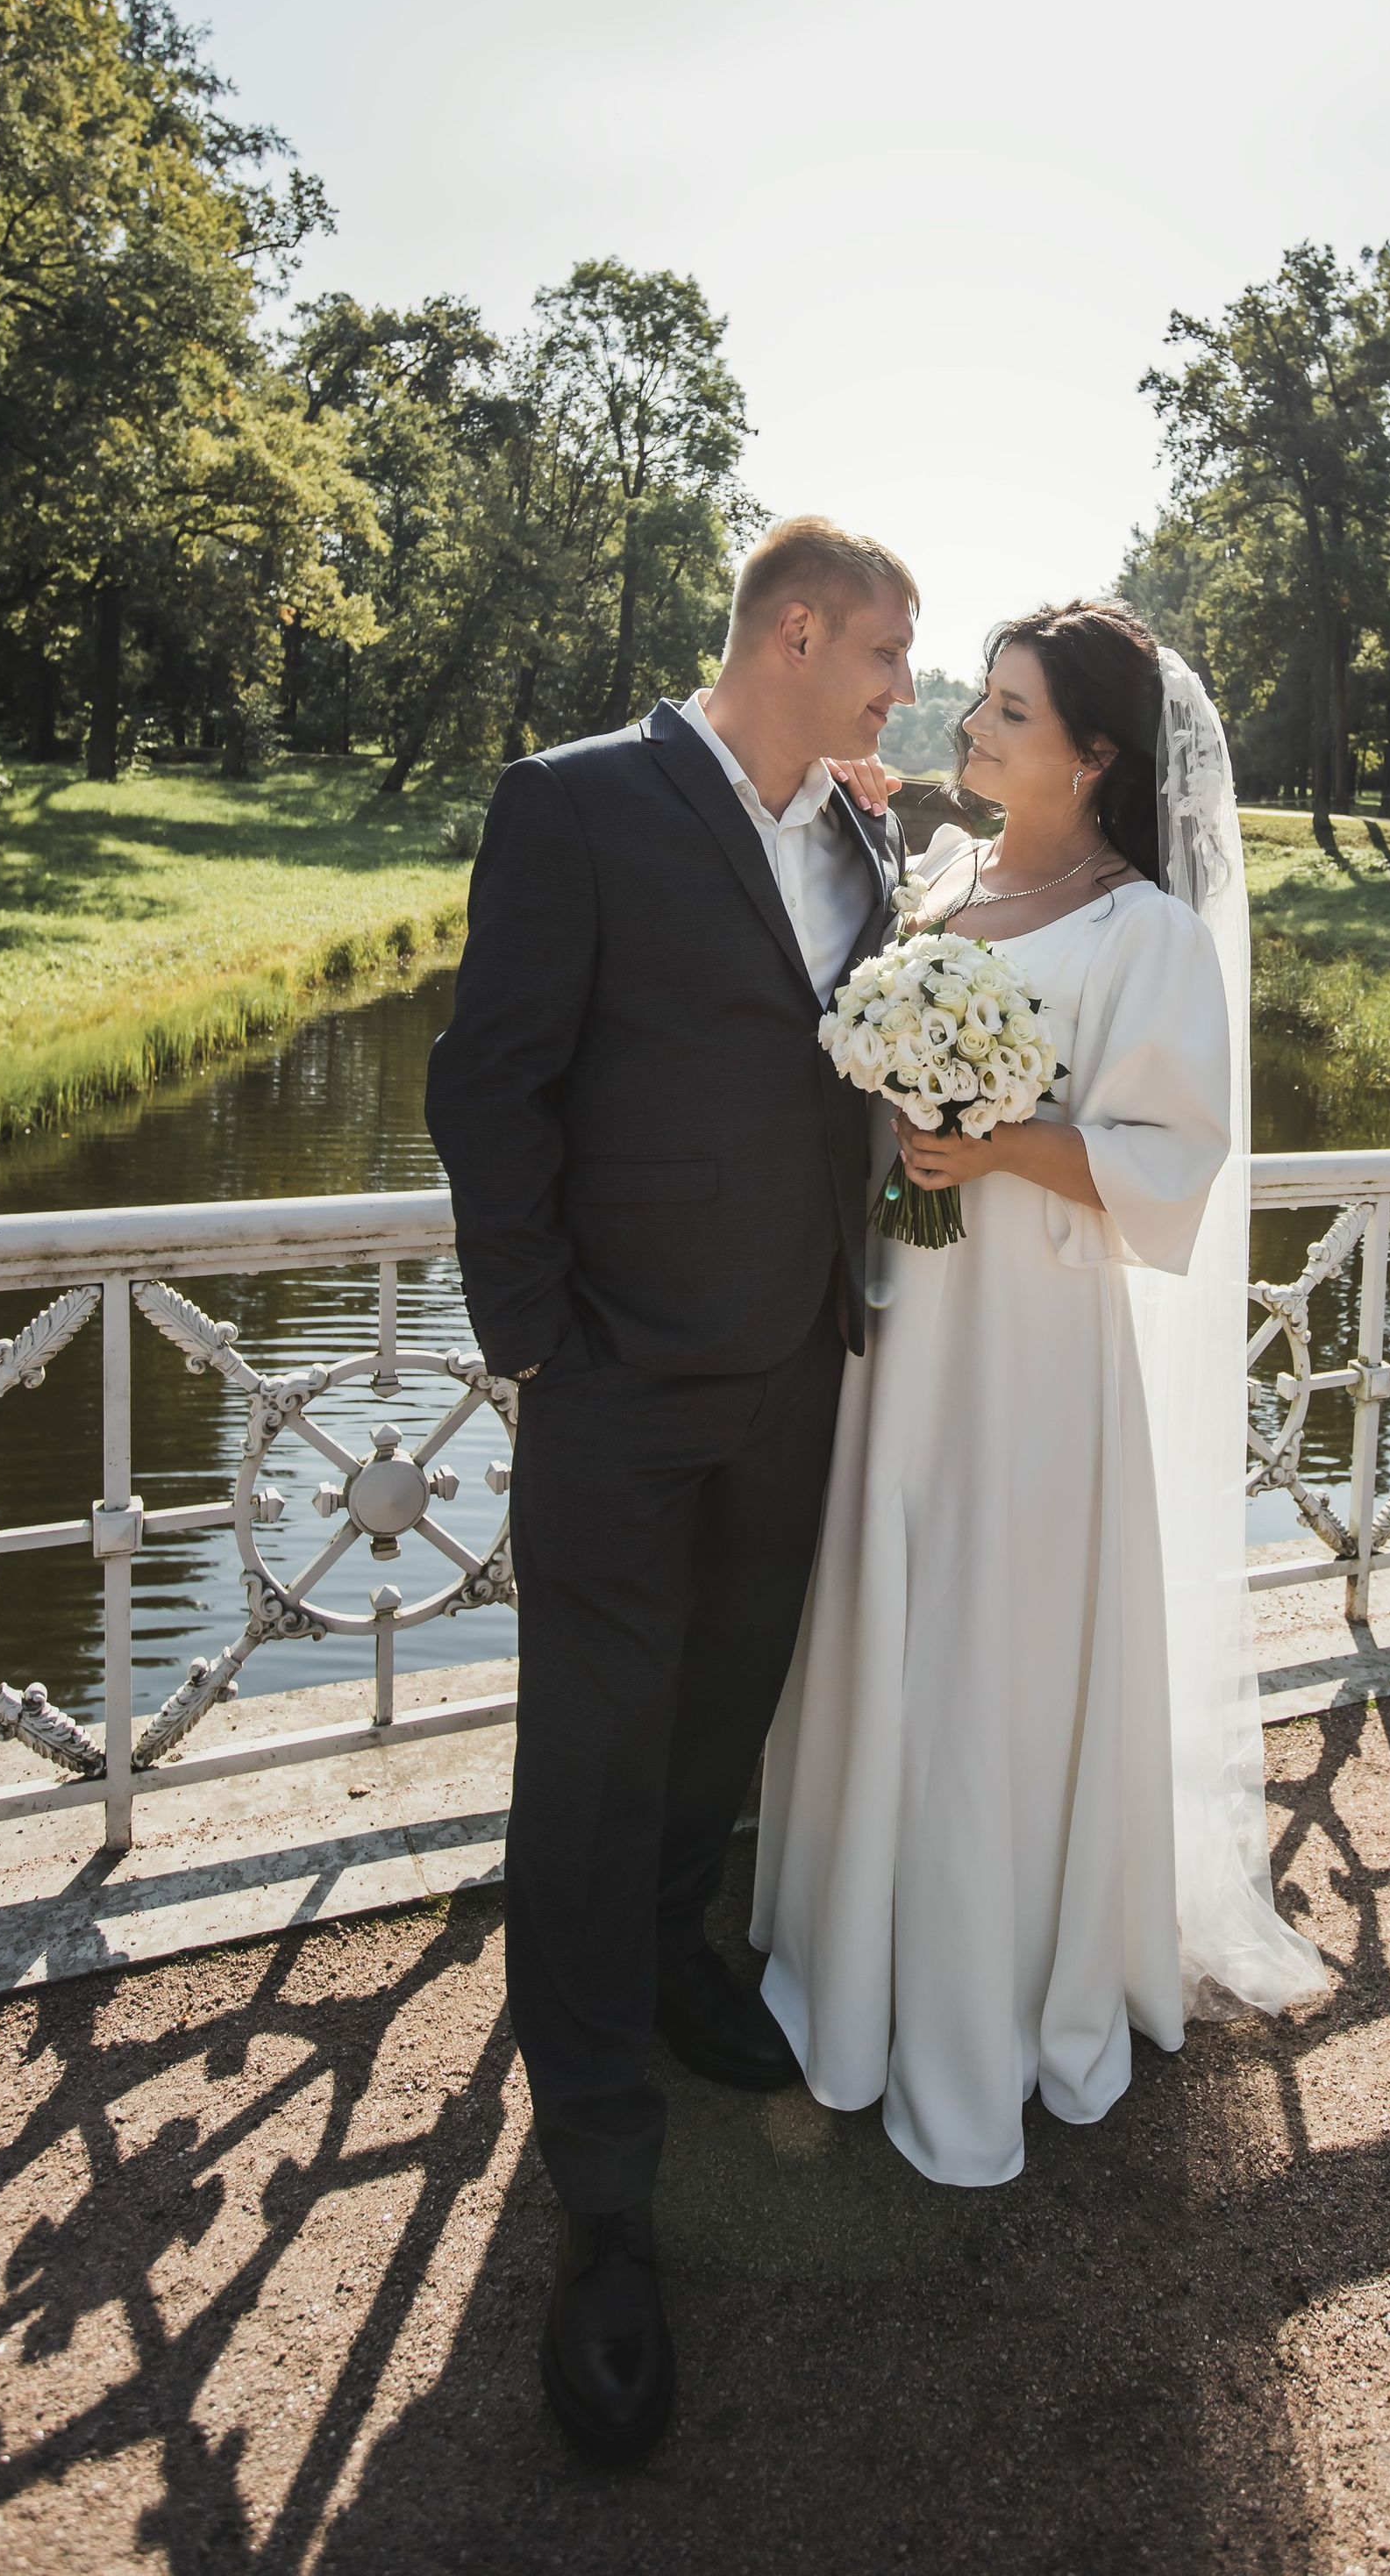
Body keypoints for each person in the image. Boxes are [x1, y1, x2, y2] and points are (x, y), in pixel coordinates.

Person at [424, 515, 916, 2460]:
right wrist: (538, 1338)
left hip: (799, 1358)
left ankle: (670, 1953)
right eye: (887, 648)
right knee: (594, 1746)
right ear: (793, 632)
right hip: (618, 1376)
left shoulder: (865, 837)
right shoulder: (576, 805)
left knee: (723, 1708)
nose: (905, 684)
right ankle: (602, 2190)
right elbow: (490, 1083)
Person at [753, 598, 1328, 2188]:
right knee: (890, 1599)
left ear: (1094, 753)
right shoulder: (940, 876)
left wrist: (999, 1141)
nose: (974, 730)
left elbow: (1172, 1163)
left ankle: (983, 1990)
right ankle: (850, 1957)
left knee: (993, 1640)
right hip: (904, 1329)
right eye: (980, 703)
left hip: (1030, 1351)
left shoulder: (1139, 929)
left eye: (1010, 713)